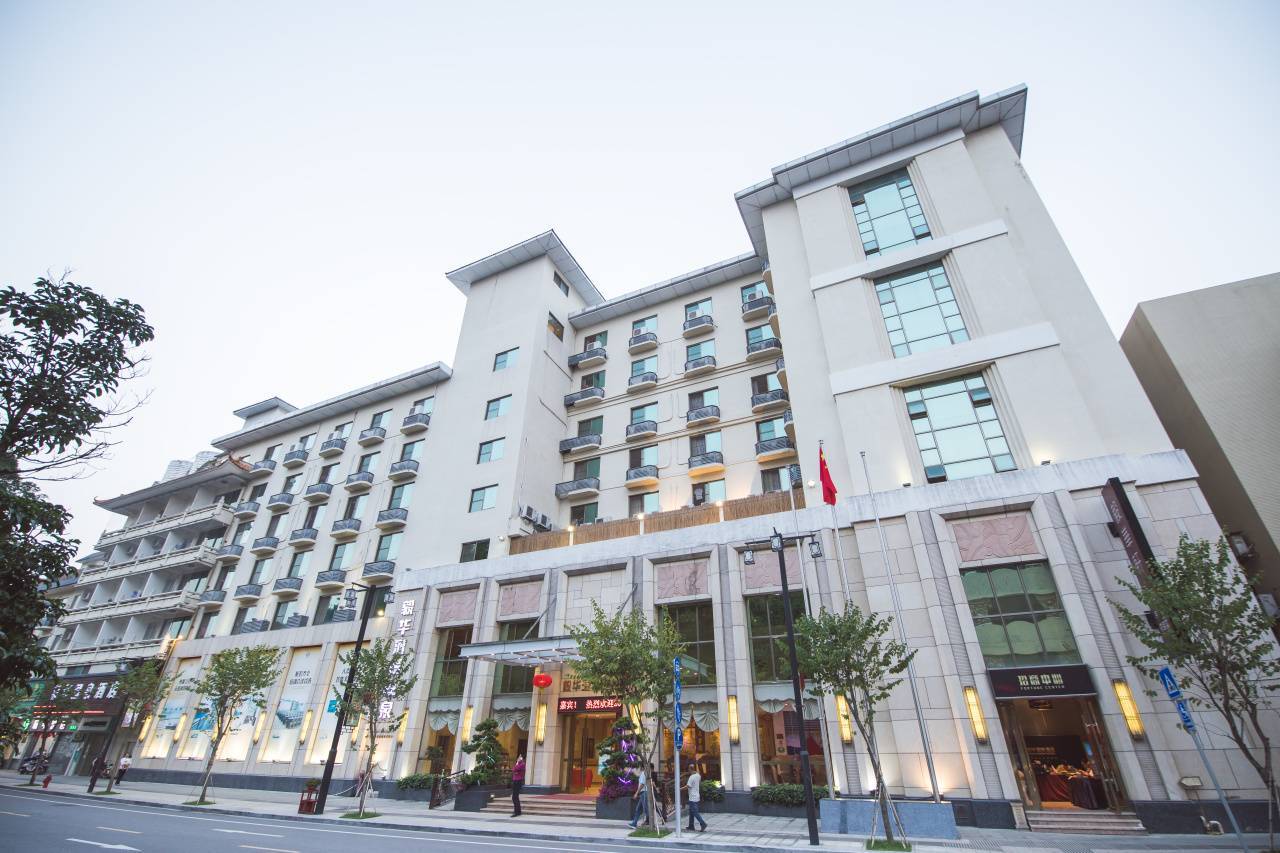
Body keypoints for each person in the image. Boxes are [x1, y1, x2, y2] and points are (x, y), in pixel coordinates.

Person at [627, 764, 649, 829]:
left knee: (646, 809)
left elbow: (642, 784)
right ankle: (634, 823)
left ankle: (649, 821)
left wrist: (636, 793)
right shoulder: (645, 773)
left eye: (639, 767)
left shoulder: (643, 774)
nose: (638, 769)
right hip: (644, 793)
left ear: (641, 767)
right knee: (638, 809)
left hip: (644, 793)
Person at [686, 766, 707, 832]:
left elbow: (688, 786)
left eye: (688, 769)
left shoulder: (691, 777)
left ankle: (703, 823)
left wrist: (679, 789)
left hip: (692, 797)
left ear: (690, 769)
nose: (688, 771)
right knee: (691, 812)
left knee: (694, 812)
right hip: (697, 796)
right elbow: (698, 783)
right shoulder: (698, 775)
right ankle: (691, 826)